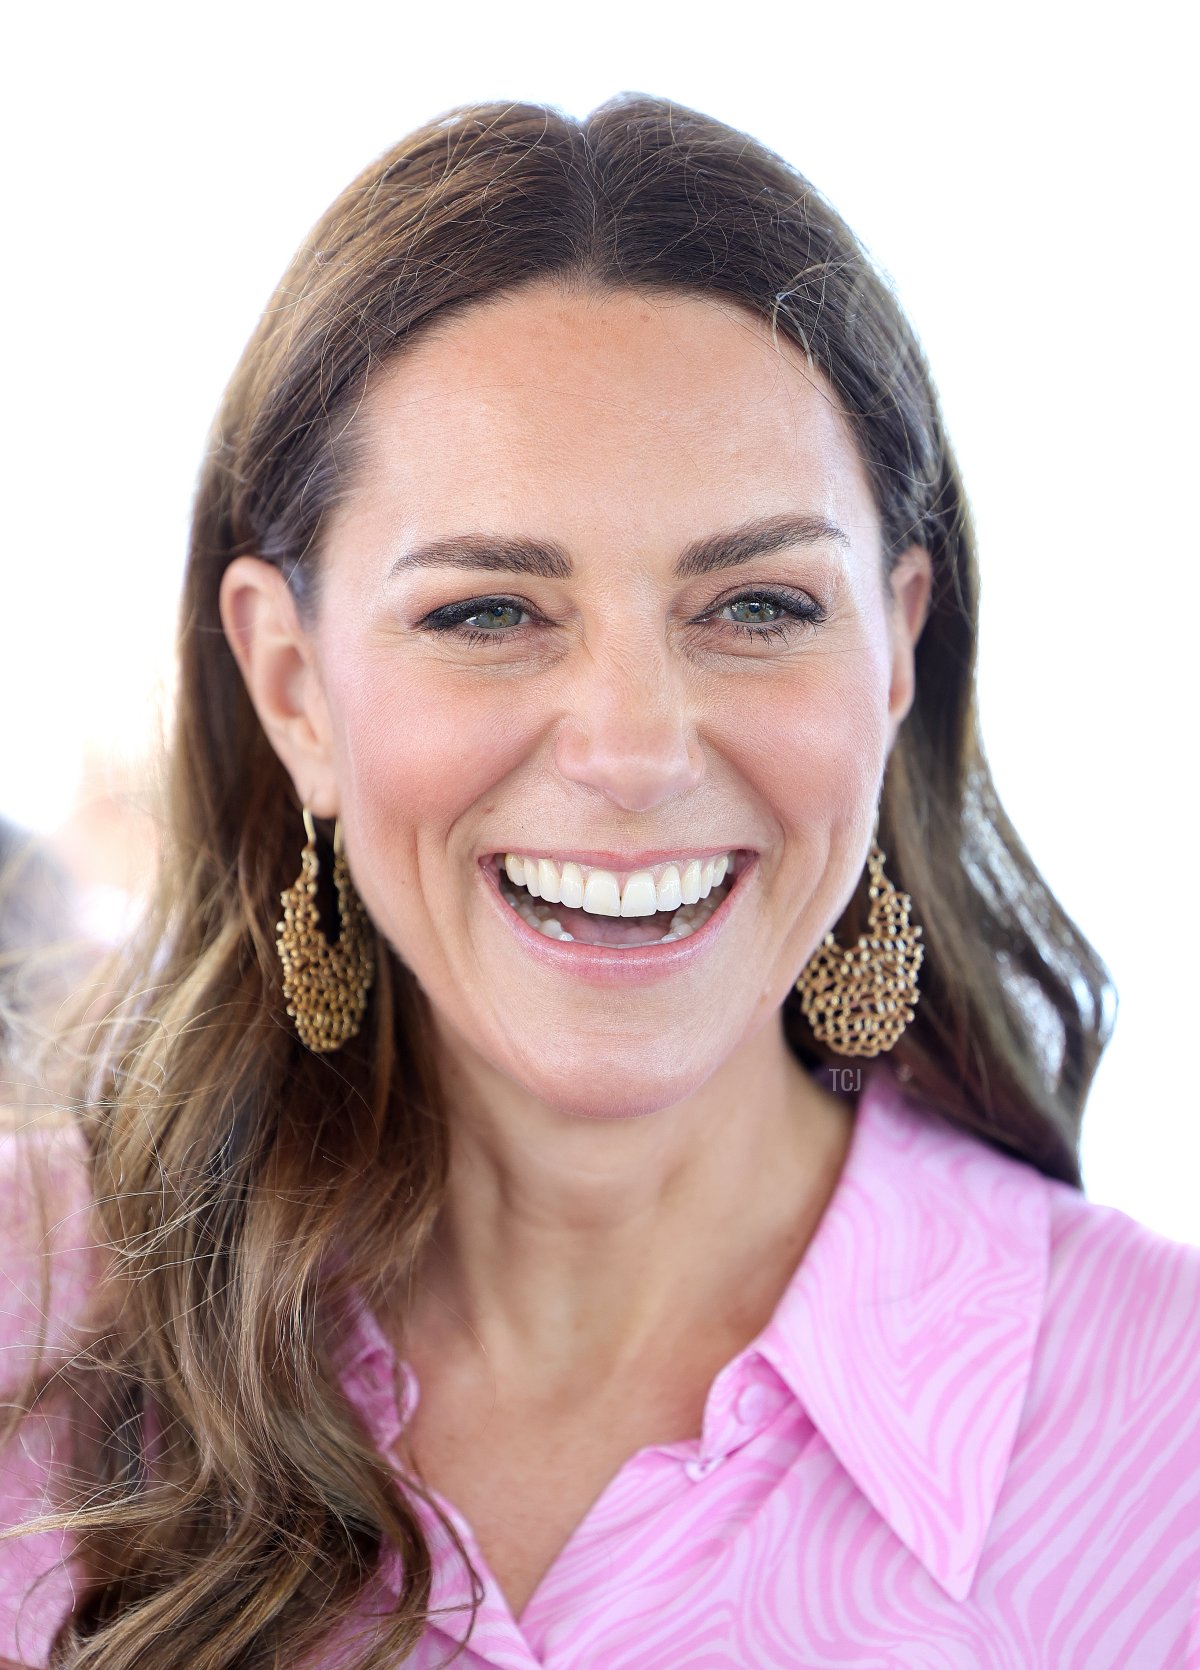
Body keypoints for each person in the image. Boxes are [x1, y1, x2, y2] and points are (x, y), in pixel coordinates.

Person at [2, 94, 1197, 1670]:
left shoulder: (1165, 1419)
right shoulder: (29, 1324)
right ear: (294, 686)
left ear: (899, 648)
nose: (634, 747)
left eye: (759, 604)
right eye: (489, 612)